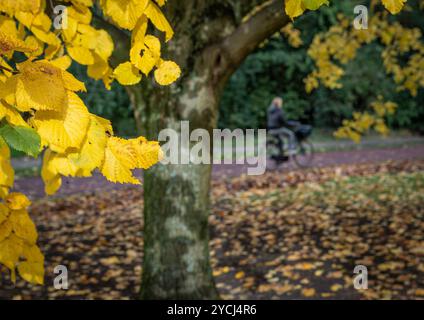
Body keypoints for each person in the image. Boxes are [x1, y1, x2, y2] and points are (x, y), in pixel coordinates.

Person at [267, 97, 297, 163]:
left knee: (280, 142)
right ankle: (291, 149)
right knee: (290, 134)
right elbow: (283, 122)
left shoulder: (270, 110)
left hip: (270, 129)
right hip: (277, 129)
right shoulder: (279, 110)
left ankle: (279, 158)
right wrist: (292, 124)